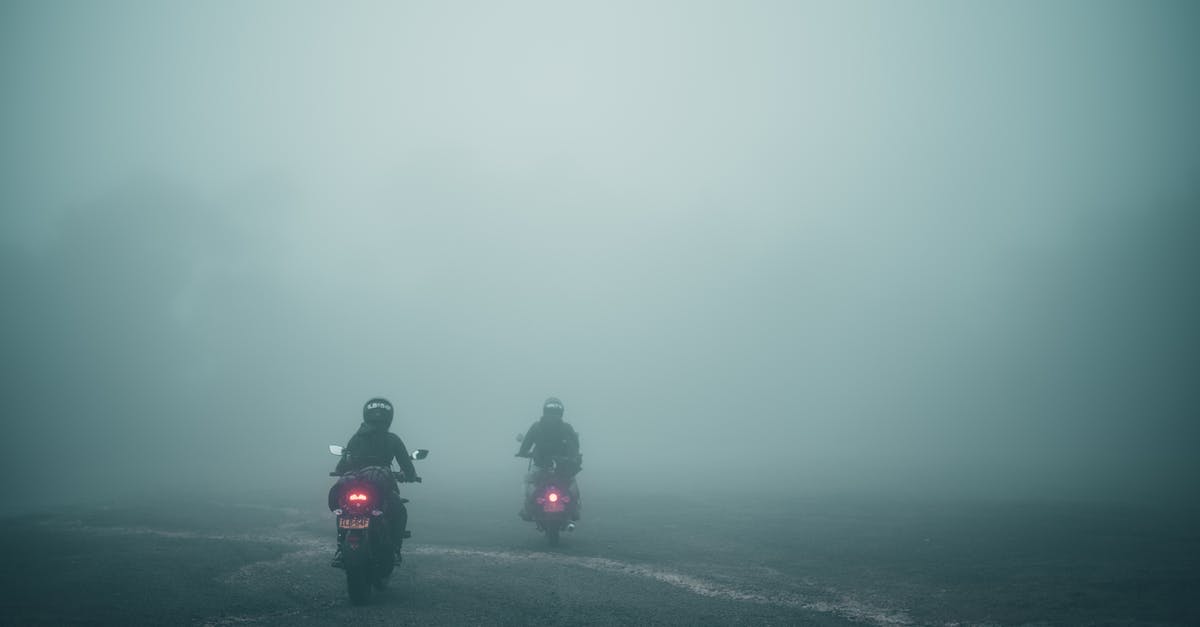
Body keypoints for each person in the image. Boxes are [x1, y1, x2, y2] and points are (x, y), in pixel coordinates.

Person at [330, 397, 420, 566]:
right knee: (399, 510)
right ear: (389, 417)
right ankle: (395, 551)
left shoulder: (356, 438)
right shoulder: (393, 439)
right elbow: (407, 466)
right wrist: (410, 476)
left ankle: (341, 548)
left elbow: (342, 463)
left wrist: (339, 471)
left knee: (343, 510)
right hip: (381, 487)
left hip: (354, 486)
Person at [516, 397, 582, 521]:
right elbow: (575, 446)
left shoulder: (536, 427)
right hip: (563, 468)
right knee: (572, 482)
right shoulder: (567, 427)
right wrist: (573, 458)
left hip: (541, 465)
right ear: (562, 412)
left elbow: (526, 444)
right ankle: (575, 509)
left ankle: (526, 510)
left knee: (528, 481)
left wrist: (522, 453)